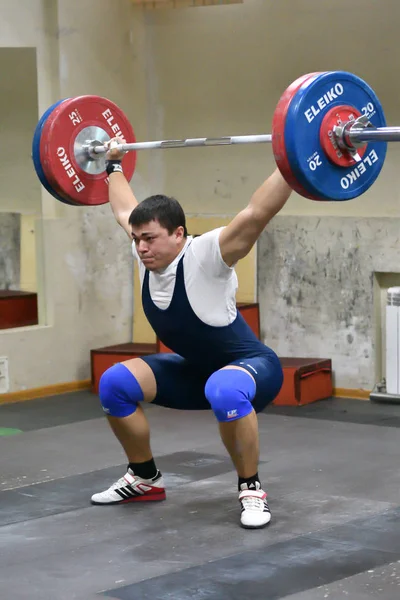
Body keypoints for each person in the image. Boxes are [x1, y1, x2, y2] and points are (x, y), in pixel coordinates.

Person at [90, 137, 292, 529]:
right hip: (196, 370)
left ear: (179, 234)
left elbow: (255, 214)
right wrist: (112, 164)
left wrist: (294, 164)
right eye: (137, 239)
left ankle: (251, 489)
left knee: (224, 388)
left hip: (251, 369)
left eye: (150, 238)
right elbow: (124, 209)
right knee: (114, 383)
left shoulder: (207, 255)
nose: (141, 248)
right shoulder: (144, 252)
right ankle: (144, 477)